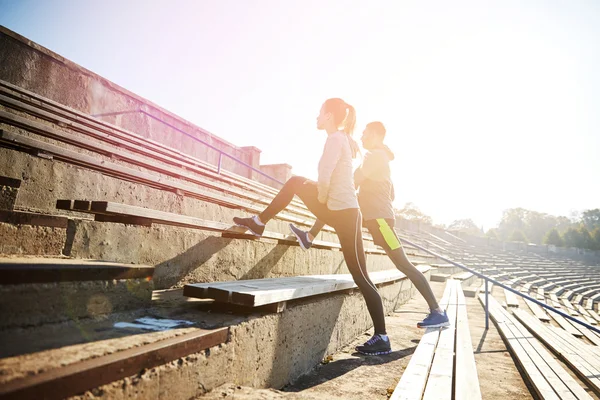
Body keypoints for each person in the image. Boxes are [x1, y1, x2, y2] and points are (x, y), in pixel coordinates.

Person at [233, 98, 391, 355]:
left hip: (345, 214)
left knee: (360, 275)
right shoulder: (342, 139)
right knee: (296, 182)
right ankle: (260, 222)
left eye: (320, 113)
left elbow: (325, 175)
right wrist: (322, 198)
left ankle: (382, 336)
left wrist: (319, 197)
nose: (316, 117)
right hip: (341, 211)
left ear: (329, 115)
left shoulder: (335, 139)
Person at [289, 121, 449, 329]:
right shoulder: (379, 157)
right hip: (372, 216)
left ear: (375, 135)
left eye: (365, 133)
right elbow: (390, 192)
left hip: (381, 221)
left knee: (402, 263)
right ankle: (309, 236)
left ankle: (437, 311)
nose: (362, 137)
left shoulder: (375, 157)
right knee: (339, 209)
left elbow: (353, 181)